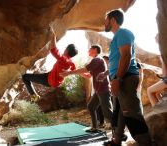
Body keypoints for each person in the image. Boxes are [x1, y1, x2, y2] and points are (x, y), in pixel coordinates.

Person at [102, 9, 153, 146]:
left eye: (106, 19)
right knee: (118, 113)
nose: (104, 22)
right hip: (118, 79)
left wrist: (118, 79)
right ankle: (116, 141)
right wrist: (111, 77)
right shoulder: (116, 37)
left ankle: (146, 143)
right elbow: (117, 60)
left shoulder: (123, 33)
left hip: (125, 78)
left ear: (113, 20)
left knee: (131, 114)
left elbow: (126, 56)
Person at [60, 45, 113, 133]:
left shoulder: (98, 59)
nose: (88, 50)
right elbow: (88, 75)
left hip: (104, 90)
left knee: (107, 112)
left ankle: (119, 130)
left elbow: (86, 69)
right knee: (91, 106)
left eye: (90, 49)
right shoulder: (96, 61)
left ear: (95, 50)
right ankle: (95, 127)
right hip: (98, 91)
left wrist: (69, 73)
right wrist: (75, 72)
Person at [22, 29, 78, 102]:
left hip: (50, 80)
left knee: (25, 77)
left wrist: (53, 35)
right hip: (50, 76)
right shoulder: (70, 62)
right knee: (32, 76)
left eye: (65, 49)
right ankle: (34, 95)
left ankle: (34, 96)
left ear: (67, 50)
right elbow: (73, 69)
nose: (64, 50)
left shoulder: (64, 60)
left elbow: (54, 50)